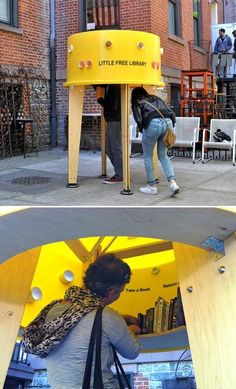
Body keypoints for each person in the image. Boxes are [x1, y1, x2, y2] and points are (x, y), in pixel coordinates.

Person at [45, 254, 141, 388]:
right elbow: (132, 352)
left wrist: (120, 319)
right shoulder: (108, 317)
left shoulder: (55, 309)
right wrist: (130, 330)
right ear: (111, 292)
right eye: (121, 291)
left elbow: (81, 325)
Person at [131, 87, 179, 196]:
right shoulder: (156, 98)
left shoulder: (137, 102)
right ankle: (173, 183)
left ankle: (152, 187)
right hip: (168, 123)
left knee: (148, 156)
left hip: (152, 124)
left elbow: (138, 119)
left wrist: (143, 130)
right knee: (163, 155)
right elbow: (171, 112)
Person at [96, 85, 123, 184]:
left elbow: (113, 106)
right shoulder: (109, 86)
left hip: (114, 121)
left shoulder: (114, 86)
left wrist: (100, 99)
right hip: (112, 121)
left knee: (115, 148)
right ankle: (121, 171)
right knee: (108, 148)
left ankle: (120, 175)